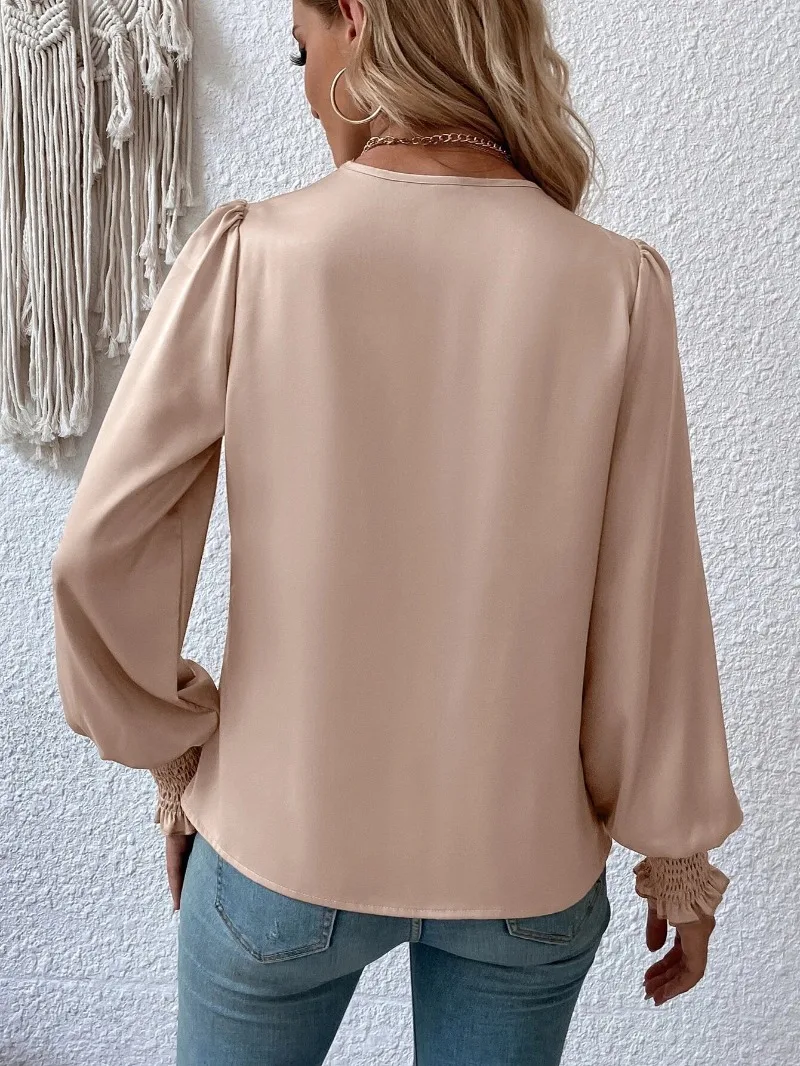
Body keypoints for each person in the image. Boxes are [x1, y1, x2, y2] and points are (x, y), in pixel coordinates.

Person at [50, 1, 744, 1063]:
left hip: (281, 848)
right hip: (524, 874)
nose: (304, 85)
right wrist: (674, 857)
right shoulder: (615, 283)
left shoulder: (257, 253)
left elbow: (97, 553)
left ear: (358, 22)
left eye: (302, 46)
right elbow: (651, 597)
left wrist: (175, 741)